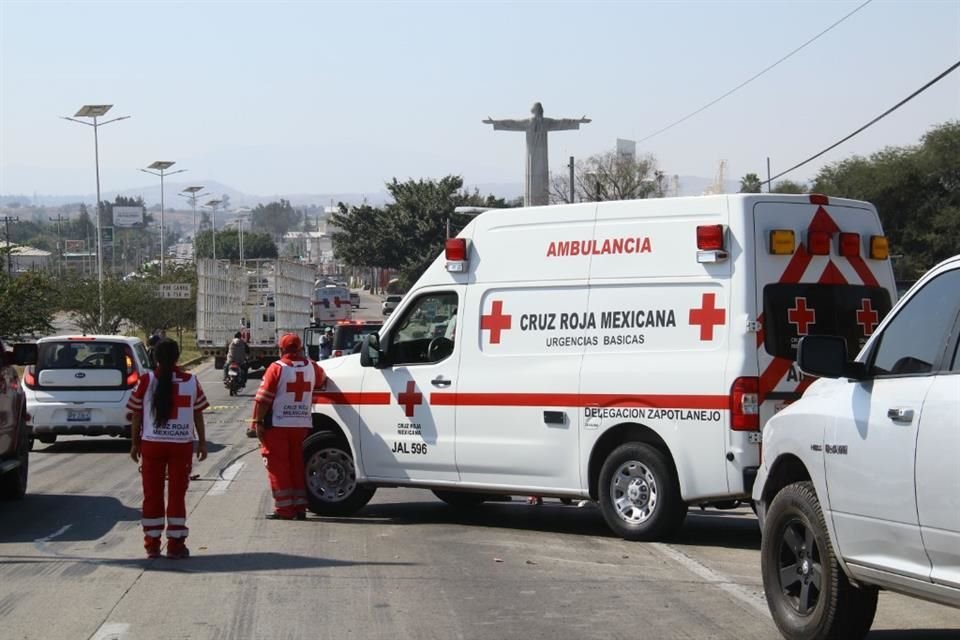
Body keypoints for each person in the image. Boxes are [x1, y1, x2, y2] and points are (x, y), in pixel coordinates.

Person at [128, 338, 209, 559]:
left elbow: (136, 414)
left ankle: (152, 545)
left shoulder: (146, 381)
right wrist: (201, 442)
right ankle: (175, 545)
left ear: (155, 356)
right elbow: (197, 413)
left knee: (151, 495)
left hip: (152, 445)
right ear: (177, 356)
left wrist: (135, 443)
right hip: (181, 447)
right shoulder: (191, 381)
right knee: (177, 495)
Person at [251, 333, 325, 520]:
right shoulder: (312, 367)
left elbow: (263, 399)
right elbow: (322, 380)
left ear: (281, 349)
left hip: (278, 425)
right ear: (300, 349)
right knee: (296, 465)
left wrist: (258, 422)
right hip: (301, 424)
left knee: (278, 467)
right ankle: (300, 507)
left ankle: (284, 509)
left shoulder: (277, 368)